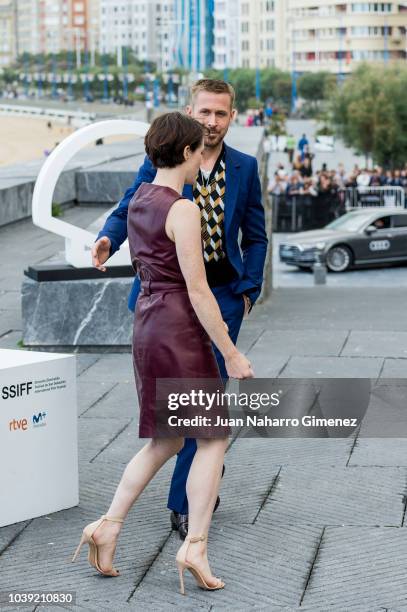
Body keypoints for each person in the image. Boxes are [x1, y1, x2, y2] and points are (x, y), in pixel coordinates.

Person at [72, 112, 254, 593]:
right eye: (198, 152)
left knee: (166, 441)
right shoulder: (184, 209)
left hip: (148, 325)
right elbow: (198, 291)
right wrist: (231, 353)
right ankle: (195, 544)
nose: (201, 161)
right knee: (212, 439)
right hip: (179, 330)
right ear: (188, 152)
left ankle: (108, 526)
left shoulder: (140, 202)